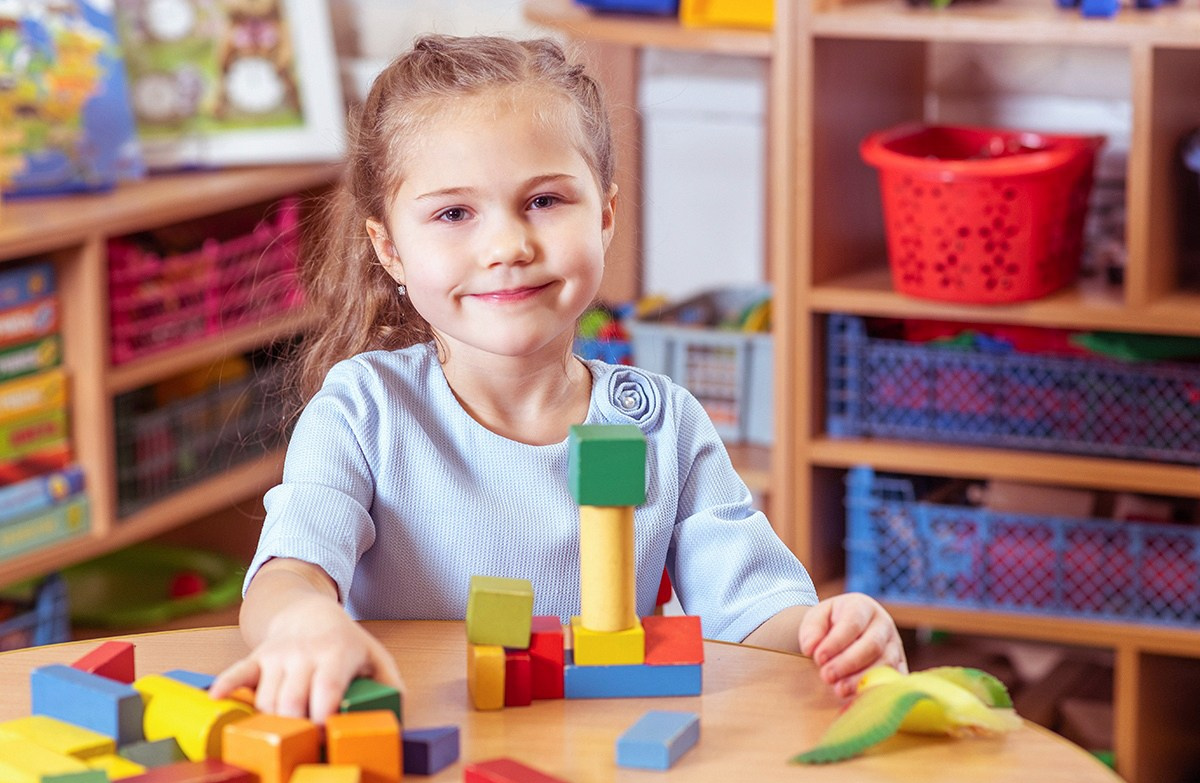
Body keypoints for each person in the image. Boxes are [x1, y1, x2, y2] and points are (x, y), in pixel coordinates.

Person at [210, 34, 906, 722]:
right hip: (420, 752)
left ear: (604, 216)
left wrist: (830, 634)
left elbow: (754, 614)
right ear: (390, 249)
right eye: (454, 214)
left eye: (544, 200)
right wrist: (303, 620)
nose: (508, 246)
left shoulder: (664, 424)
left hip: (603, 761)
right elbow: (289, 572)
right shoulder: (364, 411)